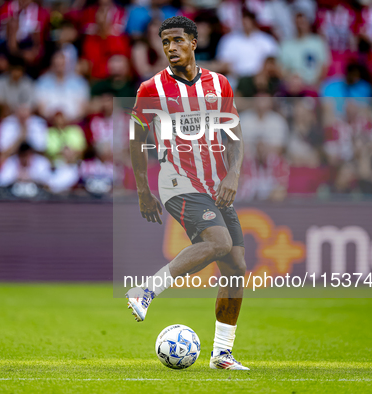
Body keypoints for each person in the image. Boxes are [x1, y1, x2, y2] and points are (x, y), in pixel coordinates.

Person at [126, 16, 249, 371]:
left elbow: (235, 130)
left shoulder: (218, 83)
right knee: (220, 243)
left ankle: (222, 354)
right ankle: (146, 290)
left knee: (236, 268)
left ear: (194, 43)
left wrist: (233, 175)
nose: (170, 48)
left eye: (177, 40)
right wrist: (142, 190)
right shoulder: (151, 89)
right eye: (165, 42)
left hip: (215, 185)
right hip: (176, 181)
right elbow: (136, 140)